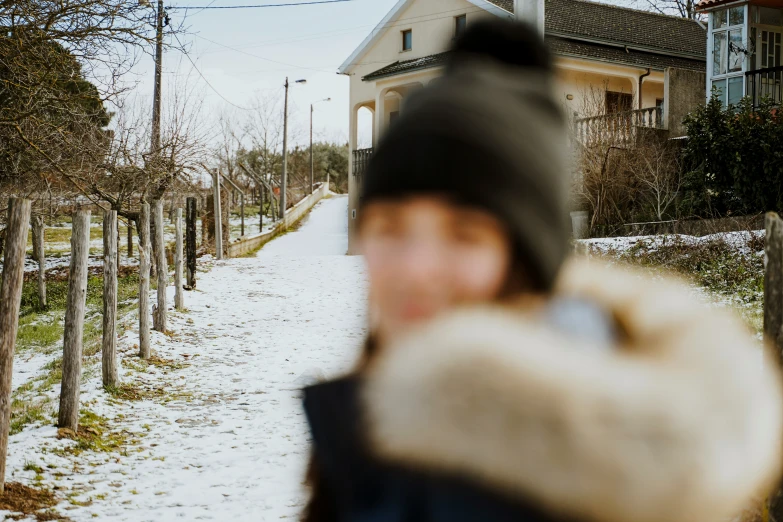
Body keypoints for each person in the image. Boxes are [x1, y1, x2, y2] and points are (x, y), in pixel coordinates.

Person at [301, 18, 783, 522]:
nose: (415, 269)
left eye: (464, 234)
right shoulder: (372, 419)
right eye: (391, 227)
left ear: (529, 262)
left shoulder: (586, 488)